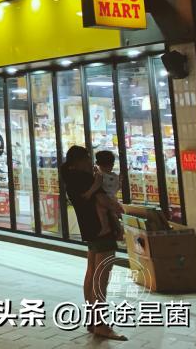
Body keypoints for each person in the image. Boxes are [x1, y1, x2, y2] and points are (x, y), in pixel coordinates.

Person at [61, 145, 126, 341]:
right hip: (101, 229)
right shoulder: (85, 178)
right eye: (88, 158)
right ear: (79, 161)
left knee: (91, 272)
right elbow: (103, 201)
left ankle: (92, 319)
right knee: (102, 276)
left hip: (89, 228)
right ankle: (101, 324)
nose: (91, 162)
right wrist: (117, 208)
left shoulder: (70, 178)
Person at [83, 150, 122, 239]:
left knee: (101, 211)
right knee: (113, 214)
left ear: (97, 163)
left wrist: (88, 193)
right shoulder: (115, 176)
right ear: (112, 164)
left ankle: (105, 227)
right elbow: (117, 187)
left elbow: (96, 185)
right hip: (112, 197)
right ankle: (119, 231)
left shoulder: (99, 175)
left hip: (104, 198)